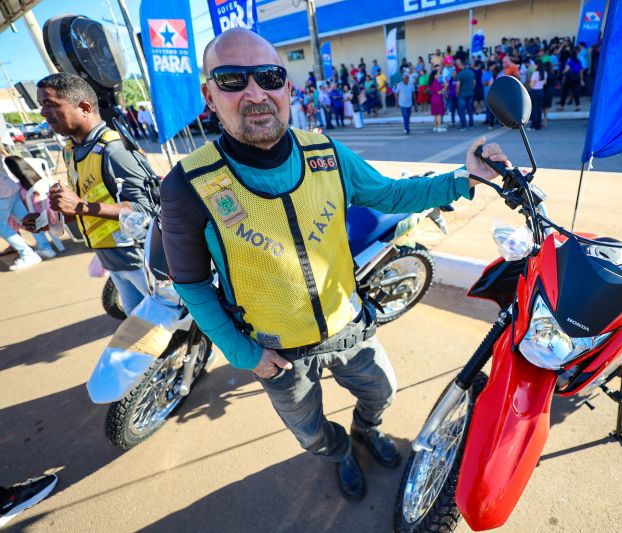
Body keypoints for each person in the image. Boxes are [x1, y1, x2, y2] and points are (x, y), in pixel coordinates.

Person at [159, 28, 510, 501]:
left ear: (287, 86)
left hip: (349, 325)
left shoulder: (326, 153)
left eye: (269, 77)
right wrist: (246, 357)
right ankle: (342, 451)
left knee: (382, 393)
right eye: (232, 80)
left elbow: (389, 194)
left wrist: (463, 178)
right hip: (277, 353)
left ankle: (366, 430)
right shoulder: (188, 183)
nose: (255, 93)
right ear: (209, 95)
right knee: (310, 435)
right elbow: (193, 285)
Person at [28, 73, 159, 315]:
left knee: (169, 327)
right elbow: (89, 202)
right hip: (113, 262)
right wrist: (50, 220)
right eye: (41, 105)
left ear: (85, 108)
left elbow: (148, 211)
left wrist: (80, 207)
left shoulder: (114, 150)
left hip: (140, 261)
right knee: (140, 328)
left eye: (51, 104)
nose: (43, 113)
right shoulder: (72, 149)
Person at [0, 144, 58, 270]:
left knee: (2, 227)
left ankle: (27, 254)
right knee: (26, 219)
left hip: (2, 193)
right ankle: (45, 247)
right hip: (10, 188)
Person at [455, 59, 475, 130]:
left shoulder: (460, 73)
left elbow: (458, 85)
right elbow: (474, 83)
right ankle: (471, 125)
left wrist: (457, 93)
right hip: (470, 93)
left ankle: (464, 126)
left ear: (462, 65)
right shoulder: (471, 72)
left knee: (462, 110)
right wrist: (471, 89)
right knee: (470, 110)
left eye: (459, 65)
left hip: (462, 94)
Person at [528, 60, 547, 130]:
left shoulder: (535, 73)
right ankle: (538, 125)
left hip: (534, 91)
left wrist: (532, 83)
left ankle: (533, 125)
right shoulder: (544, 73)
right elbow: (545, 83)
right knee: (539, 109)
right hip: (541, 91)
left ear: (537, 65)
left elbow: (531, 85)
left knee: (534, 109)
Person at [430, 68, 446, 132]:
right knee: (439, 114)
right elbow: (439, 92)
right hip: (437, 98)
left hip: (433, 98)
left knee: (435, 114)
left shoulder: (433, 82)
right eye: (438, 74)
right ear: (435, 76)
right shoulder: (436, 82)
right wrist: (445, 88)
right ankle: (439, 127)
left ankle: (435, 126)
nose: (439, 75)